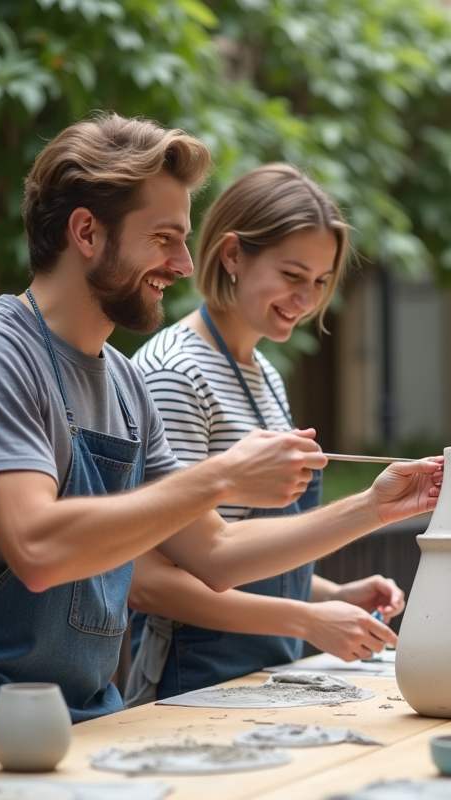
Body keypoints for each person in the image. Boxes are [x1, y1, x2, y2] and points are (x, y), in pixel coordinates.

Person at [0, 114, 451, 772]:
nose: (184, 265)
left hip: (97, 710)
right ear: (86, 232)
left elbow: (214, 554)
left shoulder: (125, 383)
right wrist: (221, 479)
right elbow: (37, 546)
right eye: (164, 239)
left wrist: (377, 508)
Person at [123, 164, 405, 704]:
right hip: (195, 676)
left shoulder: (265, 373)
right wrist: (305, 619)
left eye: (320, 282)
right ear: (232, 254)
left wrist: (328, 593)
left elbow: (243, 550)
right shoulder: (173, 372)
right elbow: (155, 580)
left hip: (266, 674)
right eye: (293, 276)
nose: (307, 299)